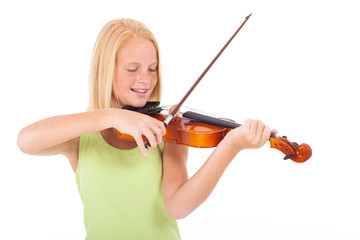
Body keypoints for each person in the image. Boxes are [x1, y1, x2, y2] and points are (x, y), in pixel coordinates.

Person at [17, 18, 273, 240]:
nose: (146, 79)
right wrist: (112, 117)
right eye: (133, 69)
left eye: (152, 69)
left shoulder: (166, 129)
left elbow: (178, 208)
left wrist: (229, 146)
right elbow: (25, 140)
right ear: (106, 70)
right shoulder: (81, 136)